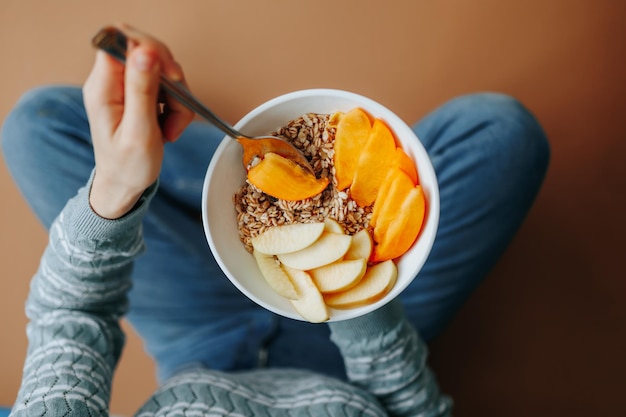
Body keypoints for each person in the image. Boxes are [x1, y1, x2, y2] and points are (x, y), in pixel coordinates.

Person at [1, 25, 549, 416]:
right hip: (351, 339)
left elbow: (72, 316)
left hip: (196, 335)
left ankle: (207, 174)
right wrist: (354, 287)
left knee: (37, 126)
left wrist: (119, 187)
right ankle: (207, 183)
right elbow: (413, 408)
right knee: (503, 134)